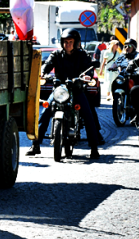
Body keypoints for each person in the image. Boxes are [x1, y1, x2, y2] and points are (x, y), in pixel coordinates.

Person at [28, 28, 101, 160]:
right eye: (65, 42)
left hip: (76, 89)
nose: (67, 44)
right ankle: (35, 145)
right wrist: (43, 73)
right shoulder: (56, 54)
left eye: (70, 42)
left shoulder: (82, 55)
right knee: (45, 112)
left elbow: (89, 68)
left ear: (76, 42)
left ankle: (94, 147)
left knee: (88, 114)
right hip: (59, 89)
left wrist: (88, 76)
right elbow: (48, 64)